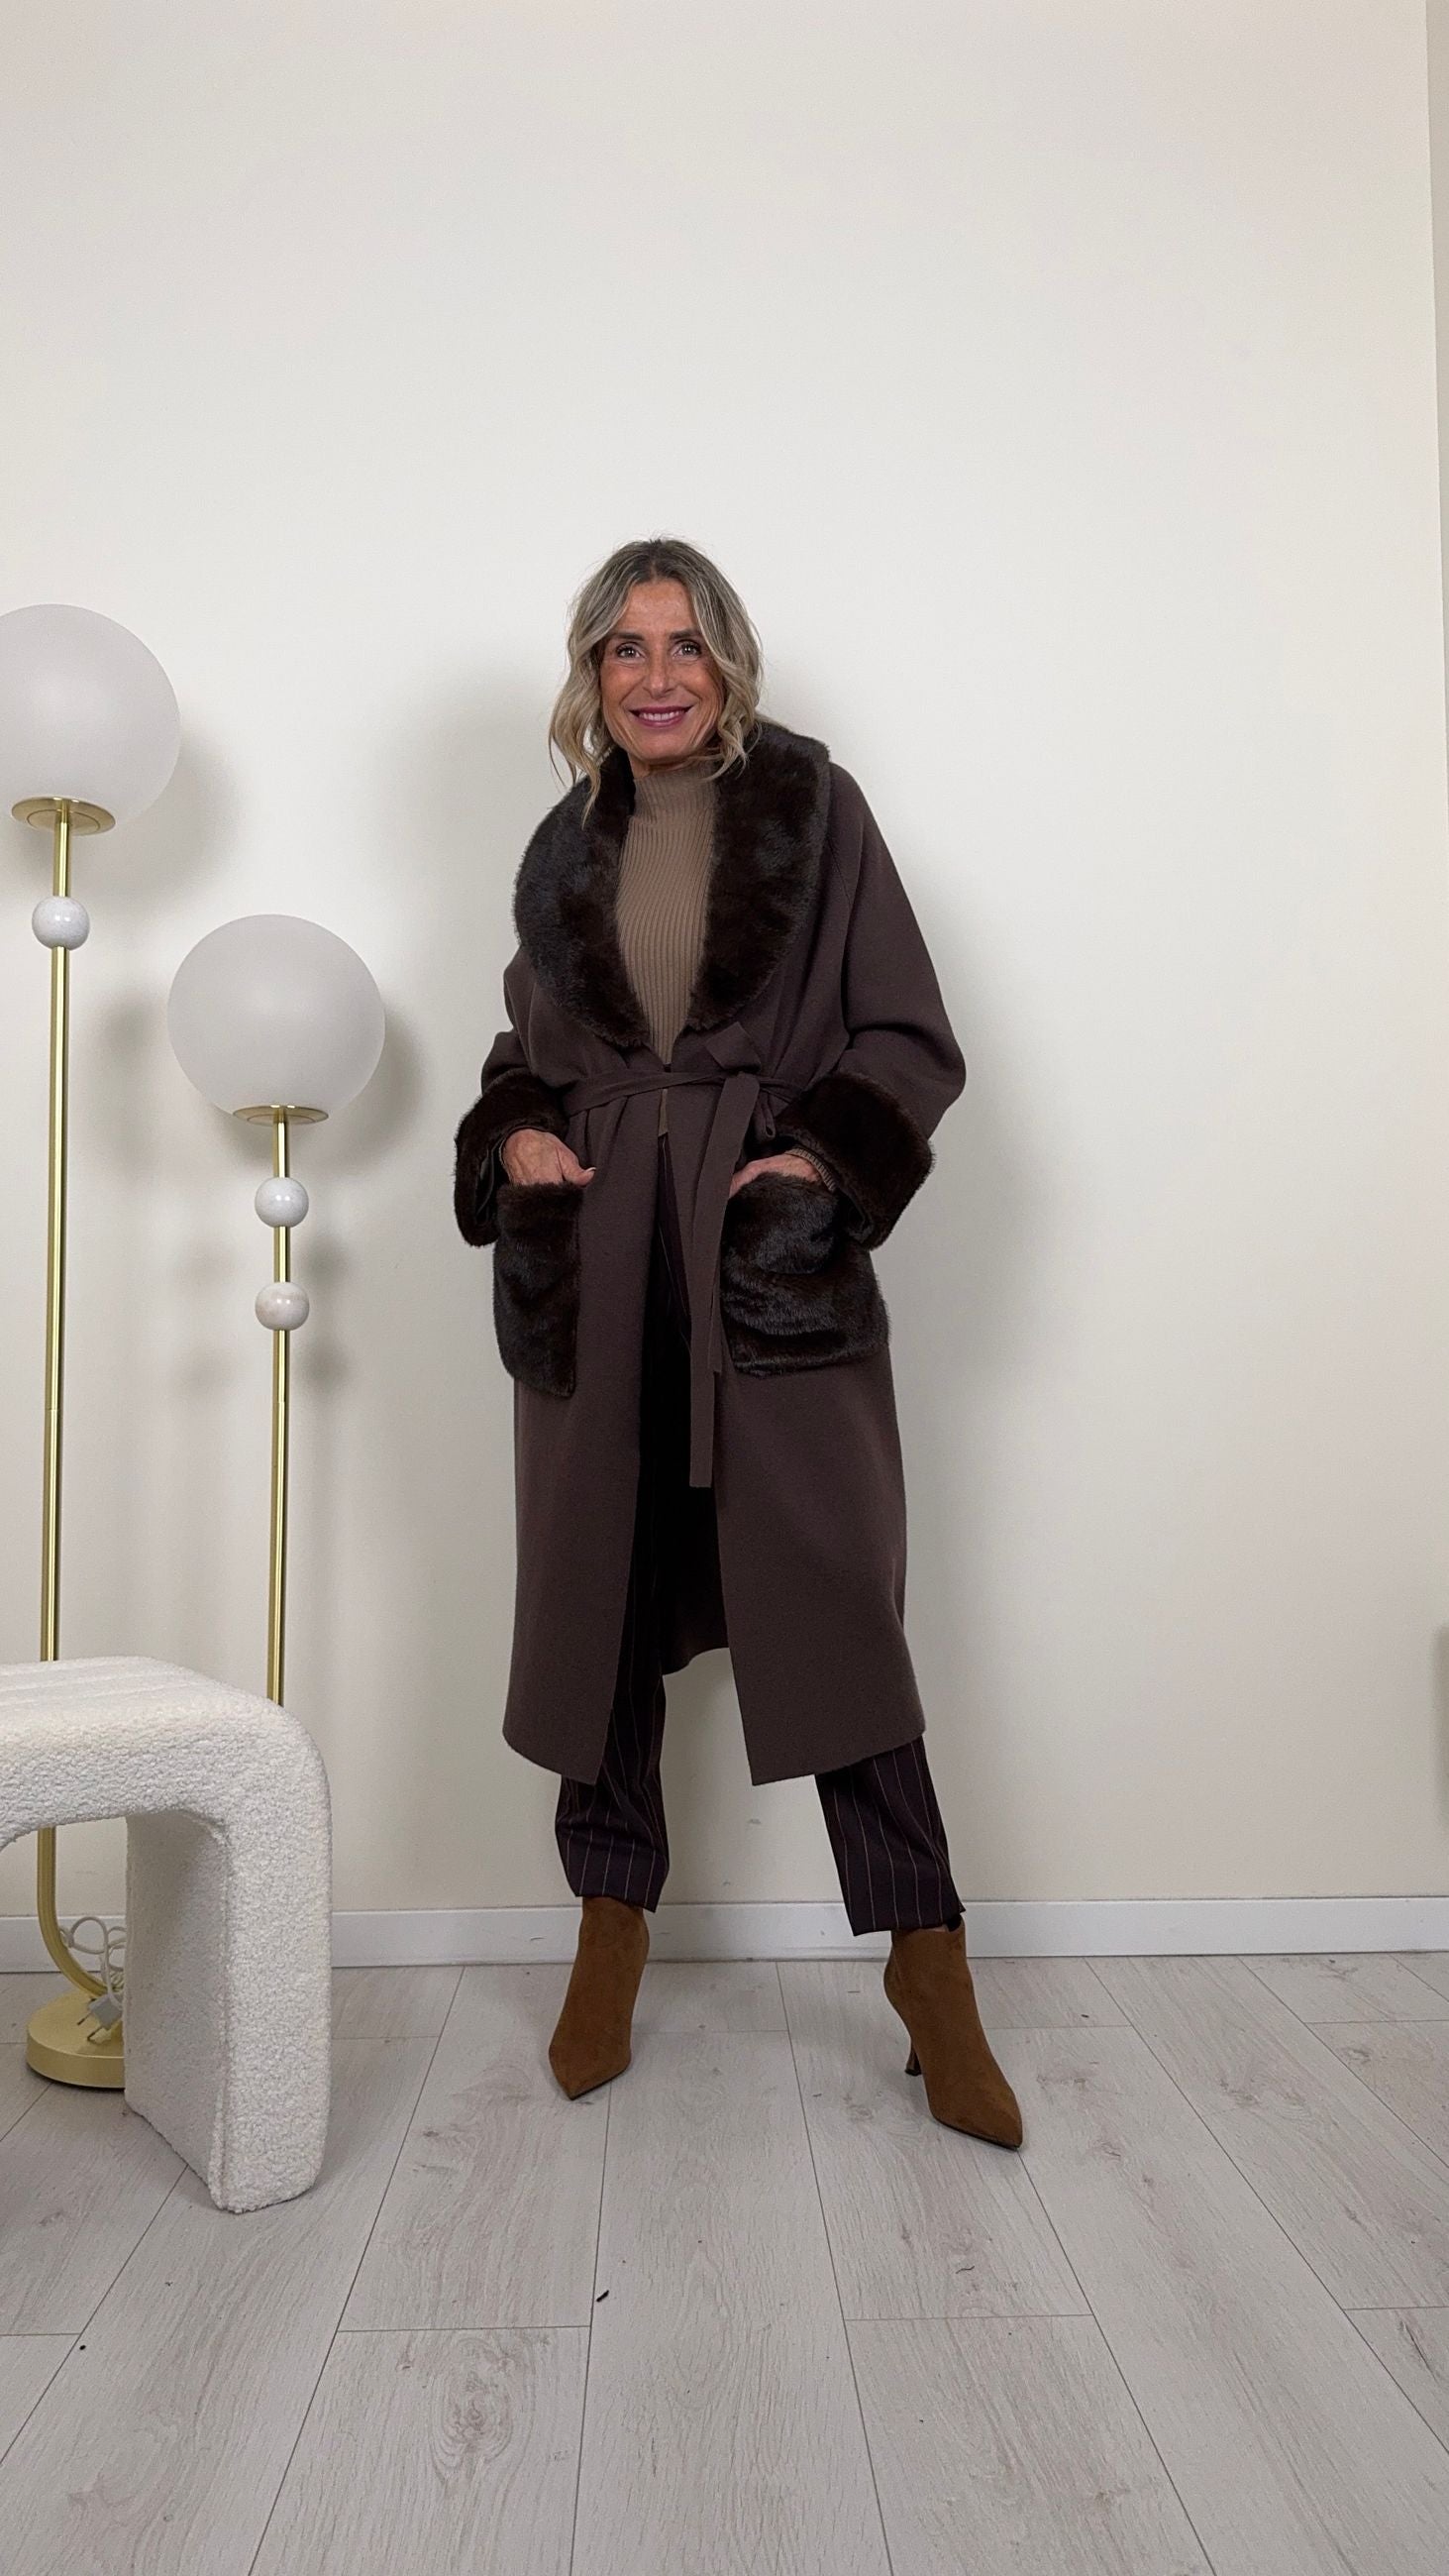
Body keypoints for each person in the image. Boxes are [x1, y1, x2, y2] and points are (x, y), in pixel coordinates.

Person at [454, 535, 1021, 2148]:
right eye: (624, 648)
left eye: (683, 644)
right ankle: (608, 1934)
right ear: (591, 675)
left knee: (829, 1598)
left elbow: (907, 1034)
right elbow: (522, 1048)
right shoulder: (561, 846)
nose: (656, 676)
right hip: (600, 1256)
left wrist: (820, 1166)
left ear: (728, 663)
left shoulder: (818, 814)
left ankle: (928, 1966)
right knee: (602, 1598)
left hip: (758, 1259)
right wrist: (515, 1136)